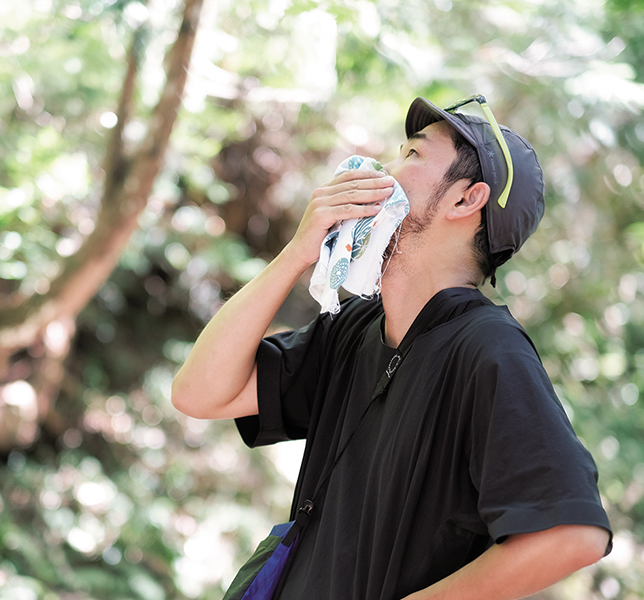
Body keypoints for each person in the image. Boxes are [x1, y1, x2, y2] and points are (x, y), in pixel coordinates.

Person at [172, 96, 613, 600]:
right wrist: (297, 252)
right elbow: (198, 394)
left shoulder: (489, 350)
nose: (381, 170)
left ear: (465, 200)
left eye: (412, 154)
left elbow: (571, 535)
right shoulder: (356, 326)